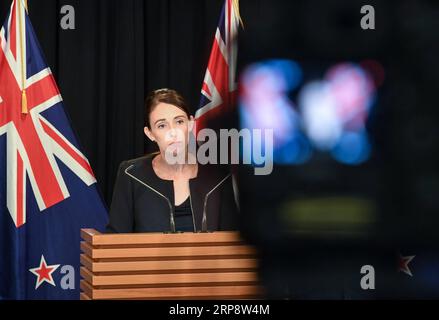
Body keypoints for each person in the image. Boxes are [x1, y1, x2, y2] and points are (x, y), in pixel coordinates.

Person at [106, 88, 239, 233]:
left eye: (179, 122)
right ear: (150, 133)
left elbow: (232, 242)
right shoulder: (131, 174)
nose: (173, 132)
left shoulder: (217, 175)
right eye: (162, 125)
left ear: (190, 124)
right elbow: (115, 240)